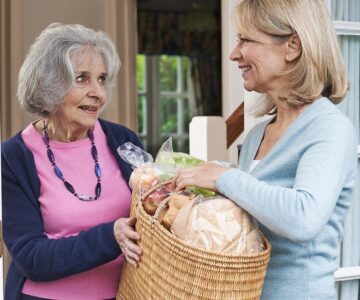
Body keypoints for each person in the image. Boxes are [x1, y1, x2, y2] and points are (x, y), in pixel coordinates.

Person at [172, 0, 358, 299]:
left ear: (292, 46)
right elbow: (255, 217)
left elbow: (303, 217)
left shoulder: (329, 128)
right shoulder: (259, 132)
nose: (235, 54)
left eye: (245, 39)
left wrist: (224, 178)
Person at [1, 23, 142, 300]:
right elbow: (31, 257)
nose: (98, 93)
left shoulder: (124, 141)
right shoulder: (14, 156)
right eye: (81, 78)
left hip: (124, 295)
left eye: (102, 79)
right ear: (49, 83)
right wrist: (110, 237)